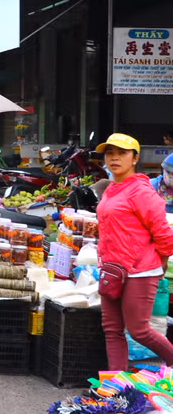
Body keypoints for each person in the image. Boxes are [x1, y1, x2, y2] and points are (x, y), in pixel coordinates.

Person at [95, 133, 173, 371]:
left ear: (135, 158)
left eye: (122, 153)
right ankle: (116, 385)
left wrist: (162, 261)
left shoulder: (141, 191)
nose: (114, 158)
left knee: (139, 330)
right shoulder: (111, 188)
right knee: (112, 329)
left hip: (139, 271)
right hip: (111, 269)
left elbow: (163, 234)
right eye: (110, 153)